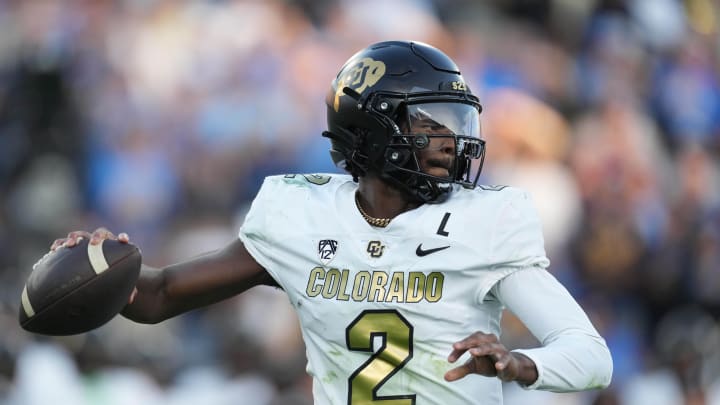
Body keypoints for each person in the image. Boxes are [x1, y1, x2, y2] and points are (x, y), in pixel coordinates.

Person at [51, 41, 613, 404]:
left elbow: (591, 356)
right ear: (373, 132)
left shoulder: (485, 220)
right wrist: (101, 264)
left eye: (457, 120)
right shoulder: (299, 216)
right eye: (433, 123)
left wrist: (519, 363)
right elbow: (159, 296)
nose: (453, 139)